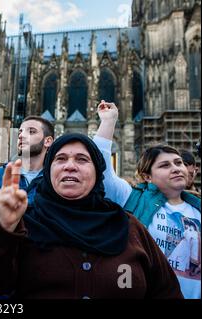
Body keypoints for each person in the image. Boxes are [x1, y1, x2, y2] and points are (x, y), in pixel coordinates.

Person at [0, 133, 183, 299]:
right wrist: (3, 228)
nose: (70, 166)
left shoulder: (129, 227)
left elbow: (166, 292)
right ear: (49, 170)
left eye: (82, 159)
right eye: (60, 159)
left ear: (98, 172)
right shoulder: (25, 222)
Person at [94, 101, 201, 299]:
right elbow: (101, 171)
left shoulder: (198, 208)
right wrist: (109, 122)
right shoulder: (133, 198)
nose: (176, 168)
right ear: (147, 177)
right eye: (165, 165)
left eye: (179, 163)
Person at [0, 116, 54, 236]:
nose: (21, 136)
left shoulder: (53, 180)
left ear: (47, 141)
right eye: (20, 132)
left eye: (31, 131)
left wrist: (11, 216)